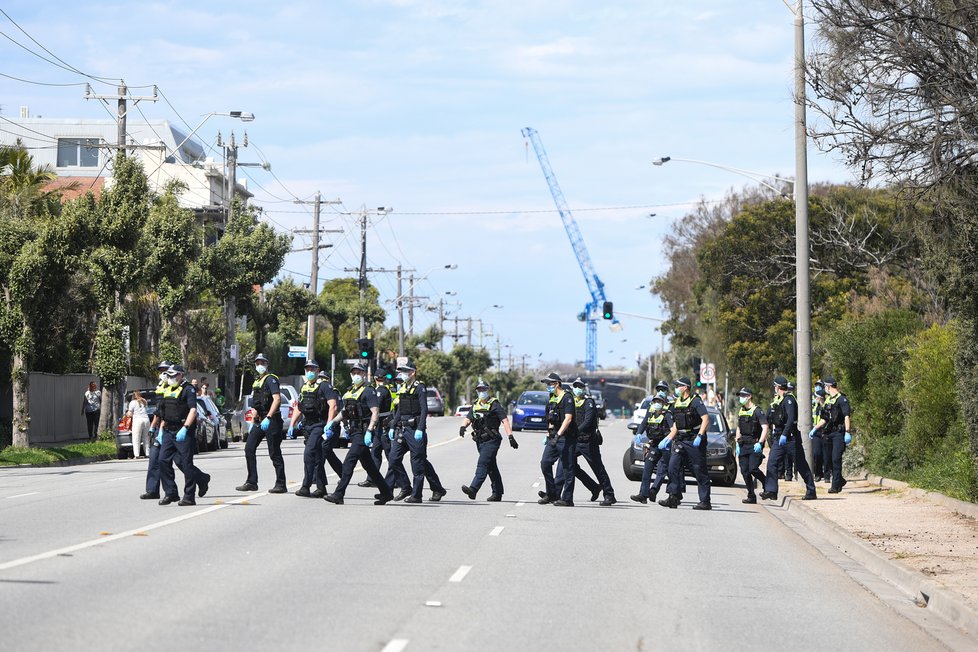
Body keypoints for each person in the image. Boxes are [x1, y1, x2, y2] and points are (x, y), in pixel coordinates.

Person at [324, 363, 394, 505]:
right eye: (353, 373)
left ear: (364, 374)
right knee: (370, 466)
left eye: (359, 372)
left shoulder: (368, 391)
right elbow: (344, 412)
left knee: (349, 461)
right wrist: (333, 422)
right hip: (353, 431)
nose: (356, 375)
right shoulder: (350, 392)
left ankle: (339, 493)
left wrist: (369, 431)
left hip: (363, 432)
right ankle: (386, 492)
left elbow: (375, 412)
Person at [388, 363, 447, 503]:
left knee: (418, 463)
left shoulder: (419, 387)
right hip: (402, 429)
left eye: (405, 371)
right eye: (401, 371)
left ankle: (417, 495)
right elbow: (400, 410)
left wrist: (420, 428)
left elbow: (424, 409)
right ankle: (406, 487)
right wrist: (393, 425)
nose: (402, 374)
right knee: (393, 459)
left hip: (415, 429)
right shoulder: (402, 388)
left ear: (413, 372)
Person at [152, 364, 210, 506]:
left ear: (181, 375)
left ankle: (189, 496)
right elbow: (165, 412)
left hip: (183, 430)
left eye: (173, 375)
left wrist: (185, 428)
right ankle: (171, 492)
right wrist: (160, 430)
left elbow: (193, 411)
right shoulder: (168, 390)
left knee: (185, 463)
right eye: (169, 375)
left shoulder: (188, 389)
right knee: (162, 461)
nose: (170, 378)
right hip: (168, 431)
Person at [657, 377, 712, 510]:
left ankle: (705, 501)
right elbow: (677, 424)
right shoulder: (677, 403)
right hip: (681, 438)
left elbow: (706, 419)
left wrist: (700, 435)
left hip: (694, 439)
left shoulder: (695, 401)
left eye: (678, 385)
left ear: (686, 387)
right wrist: (669, 438)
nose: (676, 388)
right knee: (672, 467)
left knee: (699, 470)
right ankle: (673, 497)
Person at [460, 379, 518, 502]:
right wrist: (463, 426)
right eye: (479, 390)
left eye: (484, 389)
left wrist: (510, 436)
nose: (482, 392)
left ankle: (473, 489)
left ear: (488, 390)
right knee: (491, 467)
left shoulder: (494, 404)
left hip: (492, 440)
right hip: (479, 440)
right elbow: (468, 418)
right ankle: (497, 493)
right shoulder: (476, 404)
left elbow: (505, 420)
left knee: (483, 463)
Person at [236, 353, 287, 493]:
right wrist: (253, 417)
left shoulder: (271, 380)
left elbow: (277, 399)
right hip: (259, 420)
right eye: (257, 363)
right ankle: (252, 481)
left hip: (272, 420)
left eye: (262, 363)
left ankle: (281, 484)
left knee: (274, 452)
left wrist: (269, 417)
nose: (259, 366)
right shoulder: (257, 381)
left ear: (267, 364)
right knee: (249, 448)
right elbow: (255, 403)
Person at [761, 376, 817, 501]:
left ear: (778, 387)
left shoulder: (789, 400)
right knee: (771, 463)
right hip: (779, 438)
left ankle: (811, 490)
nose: (774, 388)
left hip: (791, 438)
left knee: (801, 465)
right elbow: (768, 416)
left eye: (775, 386)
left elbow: (791, 419)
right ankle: (771, 490)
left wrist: (785, 435)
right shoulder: (777, 401)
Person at [289, 360, 339, 498]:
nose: (310, 372)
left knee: (308, 453)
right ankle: (321, 488)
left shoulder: (324, 386)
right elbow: (299, 407)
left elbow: (333, 405)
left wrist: (329, 424)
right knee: (317, 457)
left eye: (312, 369)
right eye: (307, 370)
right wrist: (292, 424)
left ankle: (306, 486)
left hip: (320, 424)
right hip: (308, 425)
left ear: (318, 371)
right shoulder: (304, 387)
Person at [562, 377, 616, 505]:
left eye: (580, 387)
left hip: (587, 441)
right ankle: (593, 487)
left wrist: (574, 432)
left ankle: (609, 495)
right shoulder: (571, 402)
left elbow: (587, 422)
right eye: (575, 386)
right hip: (574, 441)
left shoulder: (589, 402)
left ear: (584, 388)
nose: (577, 389)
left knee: (598, 468)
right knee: (569, 466)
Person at [538, 372, 578, 506]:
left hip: (566, 437)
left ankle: (567, 499)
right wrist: (549, 434)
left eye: (549, 384)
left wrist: (558, 435)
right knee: (545, 463)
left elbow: (568, 419)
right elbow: (550, 418)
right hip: (553, 436)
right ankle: (551, 493)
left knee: (568, 468)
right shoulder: (552, 398)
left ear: (557, 384)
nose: (548, 386)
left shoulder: (567, 397)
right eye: (547, 384)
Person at [630, 391, 674, 504]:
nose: (657, 403)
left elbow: (674, 429)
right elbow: (643, 424)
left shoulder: (667, 414)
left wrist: (667, 440)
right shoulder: (651, 414)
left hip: (666, 446)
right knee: (647, 469)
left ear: (664, 403)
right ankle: (643, 494)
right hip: (654, 444)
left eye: (659, 401)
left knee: (666, 470)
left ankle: (672, 496)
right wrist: (638, 433)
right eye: (655, 401)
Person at [810, 376, 851, 494]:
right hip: (828, 433)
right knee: (829, 459)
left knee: (836, 459)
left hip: (838, 433)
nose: (825, 389)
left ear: (828, 386)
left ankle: (835, 486)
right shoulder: (828, 400)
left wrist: (847, 432)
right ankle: (840, 481)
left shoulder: (841, 399)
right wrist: (815, 428)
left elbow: (847, 416)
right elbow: (824, 419)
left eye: (825, 386)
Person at [141, 360, 173, 500]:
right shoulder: (160, 386)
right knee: (154, 459)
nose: (162, 374)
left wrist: (161, 429)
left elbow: (169, 411)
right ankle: (152, 490)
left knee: (181, 462)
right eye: (160, 371)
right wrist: (153, 426)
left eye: (165, 370)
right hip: (160, 427)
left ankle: (200, 479)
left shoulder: (175, 387)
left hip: (171, 429)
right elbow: (158, 410)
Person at [734, 387, 768, 504]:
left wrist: (760, 443)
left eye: (743, 396)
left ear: (749, 396)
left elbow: (765, 427)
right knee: (744, 471)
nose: (741, 398)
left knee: (753, 468)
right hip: (743, 444)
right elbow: (739, 427)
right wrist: (737, 442)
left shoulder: (757, 411)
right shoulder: (741, 410)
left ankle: (766, 482)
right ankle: (751, 495)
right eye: (740, 396)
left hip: (754, 444)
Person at [360, 372, 393, 488]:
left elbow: (375, 407)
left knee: (390, 454)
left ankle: (395, 479)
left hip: (383, 424)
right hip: (378, 424)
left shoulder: (381, 391)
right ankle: (372, 478)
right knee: (375, 452)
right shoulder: (378, 389)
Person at [810, 384, 829, 481]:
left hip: (825, 432)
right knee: (816, 453)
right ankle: (817, 473)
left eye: (817, 397)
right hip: (816, 432)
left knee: (826, 455)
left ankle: (826, 475)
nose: (815, 398)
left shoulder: (826, 406)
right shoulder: (814, 407)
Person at [127, 390, 151, 458]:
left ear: (133, 396)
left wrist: (127, 414)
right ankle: (147, 453)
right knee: (146, 438)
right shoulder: (144, 401)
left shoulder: (132, 402)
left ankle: (137, 454)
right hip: (146, 420)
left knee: (136, 438)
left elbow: (130, 414)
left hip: (138, 420)